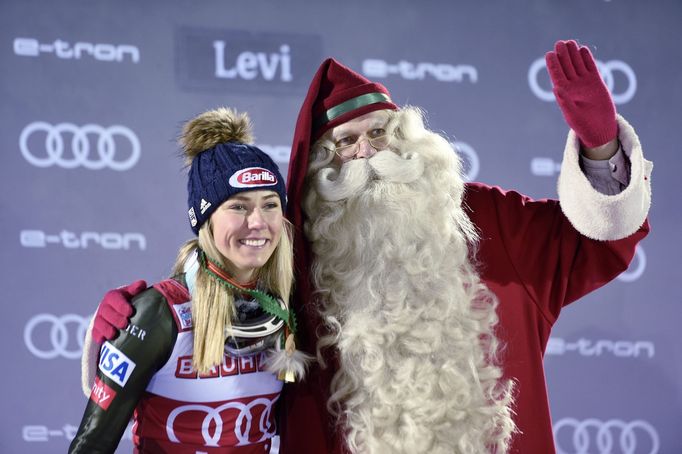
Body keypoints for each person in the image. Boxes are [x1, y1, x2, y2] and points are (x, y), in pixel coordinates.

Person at [87, 40, 652, 453]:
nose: (365, 154)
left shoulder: (488, 221)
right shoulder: (306, 258)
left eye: (378, 134)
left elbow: (595, 241)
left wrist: (601, 151)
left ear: (408, 138)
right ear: (324, 166)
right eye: (346, 143)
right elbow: (216, 299)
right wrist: (120, 322)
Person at [70, 107, 309, 453]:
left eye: (270, 205)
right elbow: (90, 446)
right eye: (239, 207)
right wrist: (104, 344)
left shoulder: (287, 308)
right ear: (205, 221)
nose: (258, 222)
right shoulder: (159, 314)